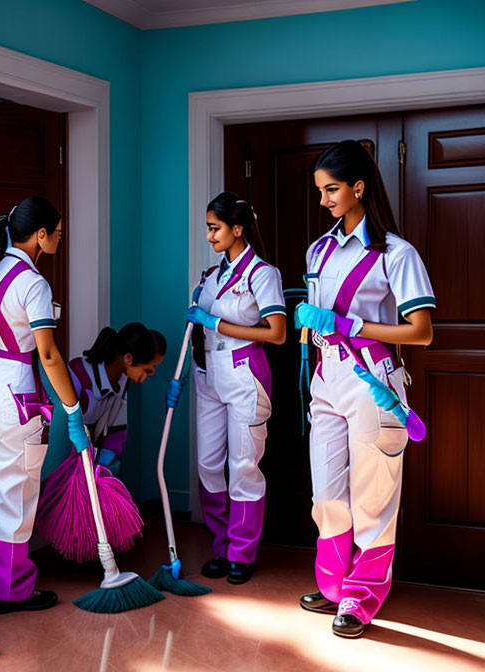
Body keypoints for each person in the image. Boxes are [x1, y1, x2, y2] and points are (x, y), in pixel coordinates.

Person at [296, 140, 435, 638]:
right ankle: (334, 587)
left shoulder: (397, 254)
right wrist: (311, 326)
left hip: (373, 380)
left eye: (331, 189)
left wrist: (352, 325)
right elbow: (318, 320)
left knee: (371, 495)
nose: (323, 201)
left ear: (358, 187)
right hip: (326, 379)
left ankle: (361, 595)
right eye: (320, 191)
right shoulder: (318, 250)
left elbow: (421, 330)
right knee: (327, 492)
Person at [0, 196, 89, 614]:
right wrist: (73, 407)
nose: (60, 239)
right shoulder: (33, 283)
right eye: (58, 233)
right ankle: (12, 592)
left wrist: (0, 340)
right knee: (15, 491)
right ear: (40, 235)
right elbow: (48, 355)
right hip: (13, 388)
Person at [180, 192, 286, 585]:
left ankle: (241, 552)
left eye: (214, 228)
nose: (209, 236)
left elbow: (276, 333)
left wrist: (216, 322)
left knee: (242, 466)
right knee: (209, 463)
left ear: (236, 229)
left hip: (244, 373)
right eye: (208, 228)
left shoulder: (262, 274)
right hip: (208, 373)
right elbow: (197, 324)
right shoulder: (209, 276)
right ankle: (222, 546)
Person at [68, 323, 166, 472]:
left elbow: (117, 433)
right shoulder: (79, 373)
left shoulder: (122, 382)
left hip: (92, 462)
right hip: (67, 460)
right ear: (128, 358)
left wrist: (103, 466)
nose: (146, 377)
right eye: (146, 370)